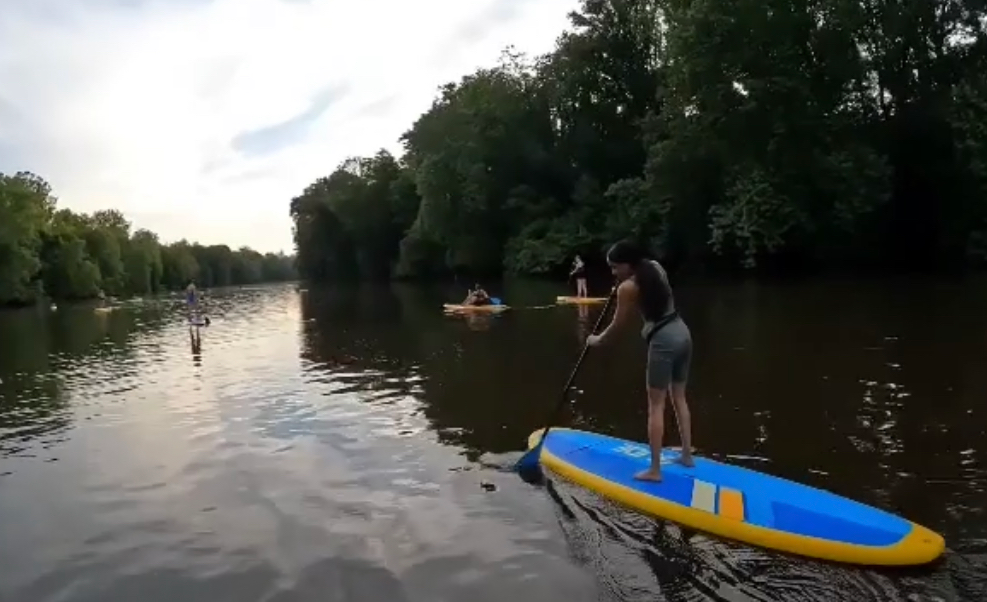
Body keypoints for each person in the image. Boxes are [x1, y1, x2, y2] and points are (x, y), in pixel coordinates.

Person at [586, 240, 694, 482]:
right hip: (682, 334)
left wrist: (597, 340)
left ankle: (655, 470)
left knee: (656, 406)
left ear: (628, 264)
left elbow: (617, 325)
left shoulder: (627, 288)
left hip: (663, 340)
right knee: (679, 396)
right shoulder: (655, 267)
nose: (613, 272)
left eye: (615, 267)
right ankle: (687, 455)